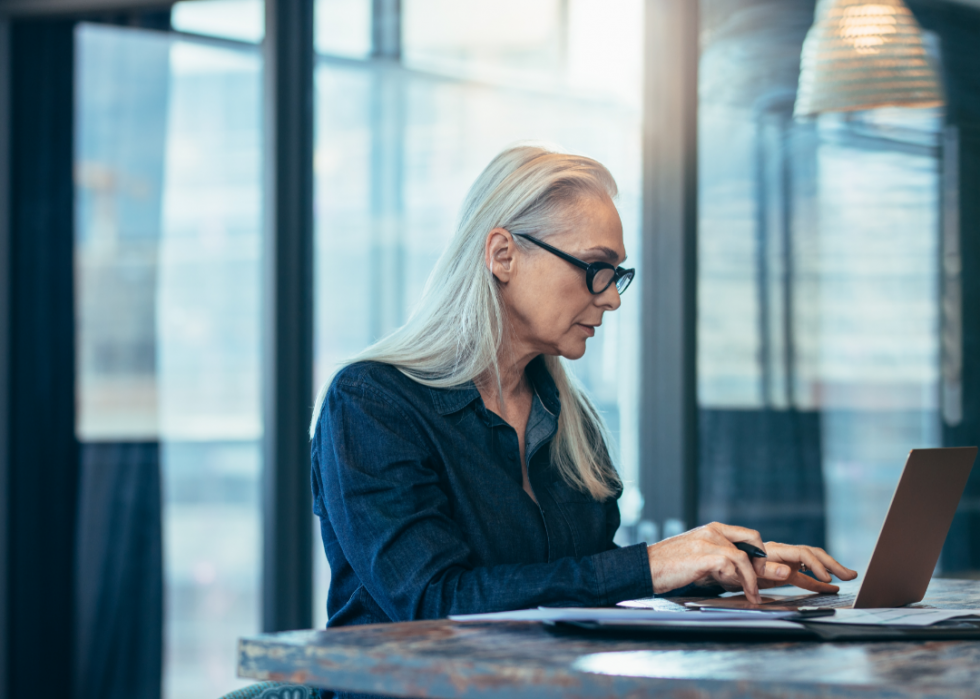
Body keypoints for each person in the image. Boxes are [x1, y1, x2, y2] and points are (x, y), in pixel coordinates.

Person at [309, 144, 856, 639]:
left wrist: (719, 566)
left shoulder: (569, 421)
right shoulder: (371, 403)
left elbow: (582, 585)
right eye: (596, 268)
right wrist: (653, 563)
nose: (611, 299)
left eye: (617, 274)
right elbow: (431, 601)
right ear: (503, 255)